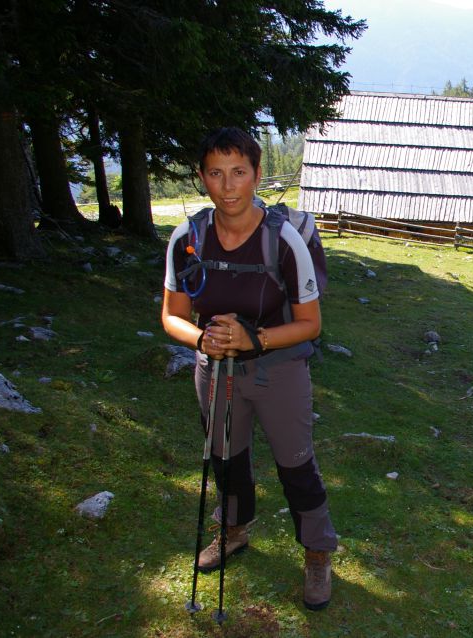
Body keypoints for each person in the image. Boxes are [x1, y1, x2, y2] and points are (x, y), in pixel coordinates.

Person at [161, 127, 336, 611]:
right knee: (226, 459)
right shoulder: (188, 238)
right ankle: (234, 529)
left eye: (239, 172)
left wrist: (253, 338)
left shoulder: (283, 240)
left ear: (257, 176)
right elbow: (171, 314)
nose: (228, 185)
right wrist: (201, 339)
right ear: (202, 178)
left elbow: (310, 324)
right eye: (215, 173)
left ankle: (318, 553)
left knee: (296, 464)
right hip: (213, 370)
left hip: (278, 369)